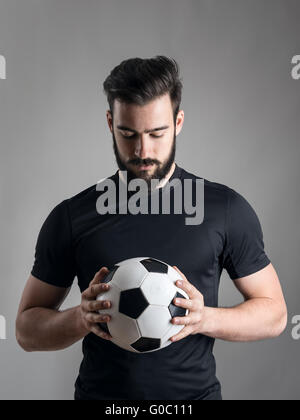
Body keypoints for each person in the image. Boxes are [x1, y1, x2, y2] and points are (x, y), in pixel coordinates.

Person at [16, 56, 287, 400]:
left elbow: (275, 314)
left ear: (178, 122)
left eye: (156, 133)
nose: (143, 150)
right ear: (110, 122)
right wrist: (79, 319)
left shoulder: (224, 210)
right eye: (128, 134)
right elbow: (26, 330)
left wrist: (204, 319)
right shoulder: (72, 216)